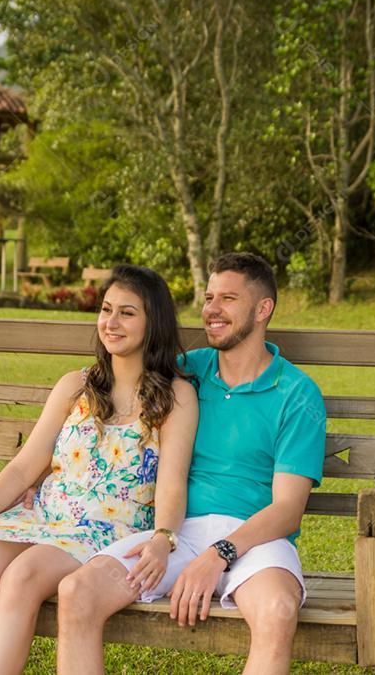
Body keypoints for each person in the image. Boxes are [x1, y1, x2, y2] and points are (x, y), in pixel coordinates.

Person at [56, 252, 327, 675]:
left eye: (228, 299)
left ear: (263, 309)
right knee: (77, 592)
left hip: (257, 541)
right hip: (176, 532)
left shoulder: (297, 393)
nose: (211, 310)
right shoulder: (185, 373)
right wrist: (43, 476)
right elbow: (112, 404)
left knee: (277, 609)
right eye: (208, 297)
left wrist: (219, 553)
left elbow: (287, 509)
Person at [0, 265, 198, 675]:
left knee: (22, 576)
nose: (111, 323)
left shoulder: (174, 396)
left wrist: (163, 538)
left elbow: (171, 481)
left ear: (154, 324)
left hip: (108, 530)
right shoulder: (75, 386)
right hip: (42, 519)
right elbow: (26, 466)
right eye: (106, 309)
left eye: (127, 313)